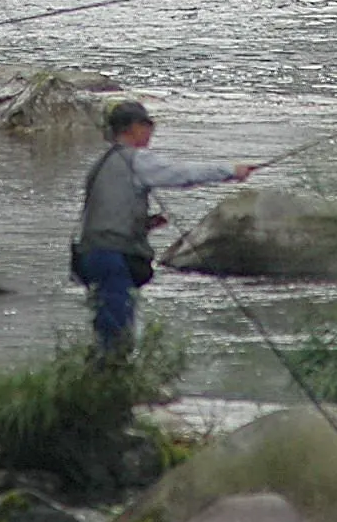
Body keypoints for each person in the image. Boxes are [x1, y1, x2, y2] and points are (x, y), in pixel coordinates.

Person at [72, 98, 255, 355]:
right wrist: (230, 171)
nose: (151, 132)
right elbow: (182, 174)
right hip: (112, 257)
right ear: (134, 127)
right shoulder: (136, 160)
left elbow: (104, 214)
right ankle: (113, 374)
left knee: (106, 329)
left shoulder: (100, 164)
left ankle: (99, 373)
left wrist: (145, 224)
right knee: (117, 335)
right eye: (149, 126)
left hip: (90, 256)